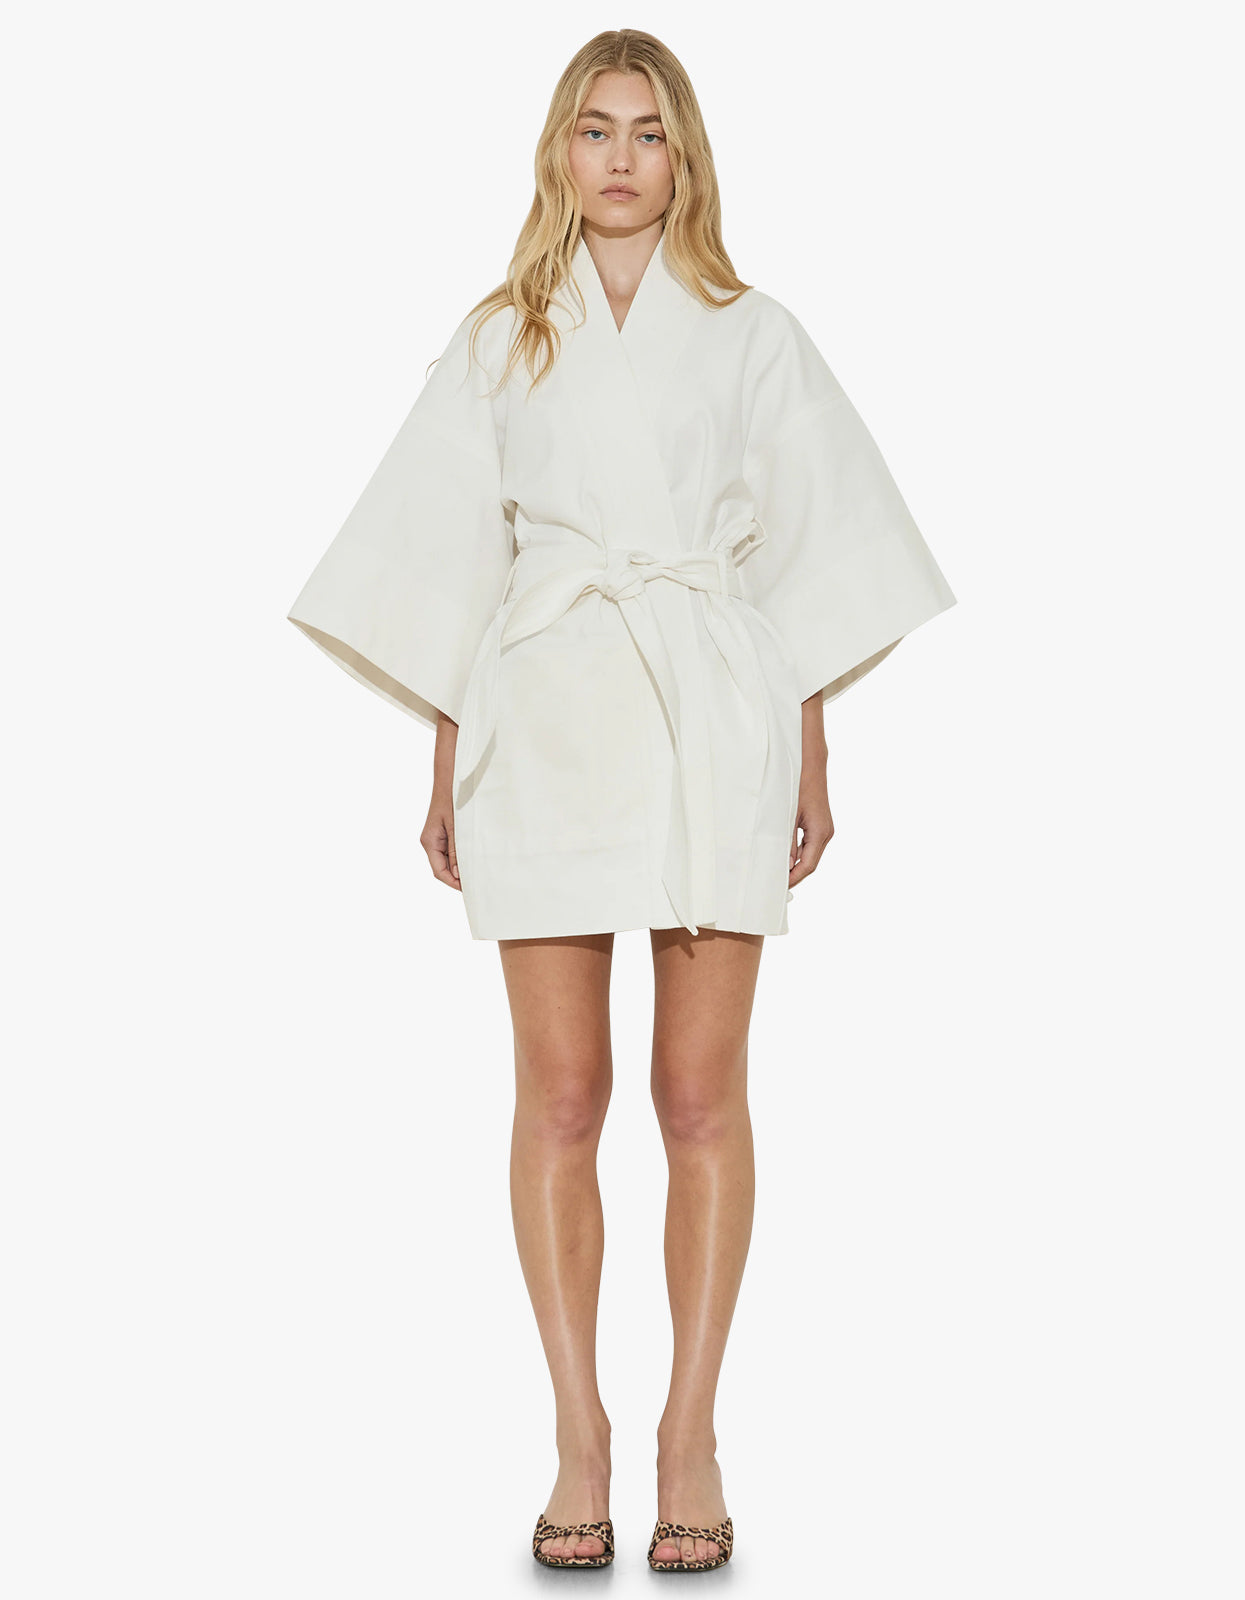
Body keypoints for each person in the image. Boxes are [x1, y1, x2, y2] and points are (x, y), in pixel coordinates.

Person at [286, 28, 956, 1574]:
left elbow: (806, 550)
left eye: (648, 133)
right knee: (563, 1094)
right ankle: (577, 1432)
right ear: (558, 150)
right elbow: (449, 555)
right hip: (548, 718)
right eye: (594, 129)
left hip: (713, 715)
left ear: (684, 158)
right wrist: (445, 755)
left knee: (698, 1095)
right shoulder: (499, 338)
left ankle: (689, 1434)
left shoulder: (756, 333)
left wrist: (811, 746)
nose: (619, 158)